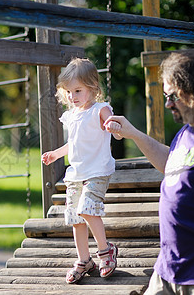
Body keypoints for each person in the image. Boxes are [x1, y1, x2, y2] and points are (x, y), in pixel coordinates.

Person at [104, 52, 194, 295]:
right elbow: (172, 164)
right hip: (166, 273)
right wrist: (133, 133)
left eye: (172, 96)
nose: (167, 104)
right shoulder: (185, 134)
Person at [41, 58, 122, 284]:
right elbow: (74, 144)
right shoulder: (72, 115)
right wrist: (56, 154)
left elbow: (112, 125)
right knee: (76, 217)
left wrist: (114, 128)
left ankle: (106, 251)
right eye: (68, 91)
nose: (72, 96)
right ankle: (84, 259)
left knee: (87, 209)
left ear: (92, 87)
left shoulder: (100, 109)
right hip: (76, 174)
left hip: (97, 171)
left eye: (77, 90)